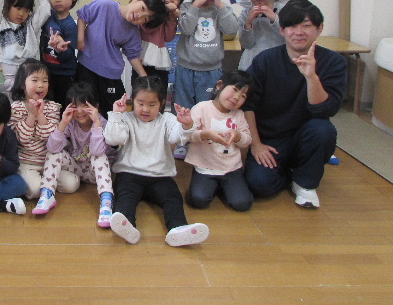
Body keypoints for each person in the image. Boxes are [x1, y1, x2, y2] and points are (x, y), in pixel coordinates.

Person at [243, 0, 347, 209]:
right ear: (282, 30)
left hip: (306, 136)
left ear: (319, 29)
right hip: (270, 139)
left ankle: (305, 183)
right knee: (259, 185)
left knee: (323, 130)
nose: (298, 32)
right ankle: (289, 173)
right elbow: (248, 106)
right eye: (292, 26)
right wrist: (256, 145)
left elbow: (325, 110)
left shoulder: (334, 62)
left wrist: (311, 77)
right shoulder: (265, 60)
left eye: (306, 26)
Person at [103, 76, 209, 247]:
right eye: (140, 103)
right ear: (132, 101)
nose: (145, 109)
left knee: (173, 198)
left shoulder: (167, 119)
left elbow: (176, 137)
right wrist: (116, 115)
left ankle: (178, 228)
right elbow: (113, 139)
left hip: (160, 175)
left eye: (152, 105)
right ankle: (128, 226)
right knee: (125, 198)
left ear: (161, 104)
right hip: (129, 173)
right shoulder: (127, 118)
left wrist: (186, 124)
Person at [34, 82, 115, 228]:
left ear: (95, 107)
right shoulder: (71, 123)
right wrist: (63, 123)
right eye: (75, 106)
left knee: (99, 156)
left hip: (97, 173)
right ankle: (47, 194)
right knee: (55, 153)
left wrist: (96, 123)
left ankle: (106, 203)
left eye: (85, 105)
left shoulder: (102, 123)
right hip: (78, 168)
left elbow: (97, 151)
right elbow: (52, 148)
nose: (80, 111)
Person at [76, 0, 167, 117]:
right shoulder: (104, 5)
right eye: (142, 8)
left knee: (114, 112)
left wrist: (144, 78)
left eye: (145, 18)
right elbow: (83, 15)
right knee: (85, 109)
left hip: (111, 74)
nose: (140, 16)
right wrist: (80, 39)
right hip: (86, 67)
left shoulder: (133, 32)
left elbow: (132, 55)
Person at [8, 58, 79, 200]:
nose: (40, 85)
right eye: (35, 80)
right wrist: (31, 115)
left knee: (72, 184)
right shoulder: (15, 108)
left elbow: (51, 138)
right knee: (35, 190)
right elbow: (22, 138)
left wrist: (40, 114)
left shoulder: (53, 107)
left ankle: (46, 184)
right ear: (22, 85)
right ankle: (40, 184)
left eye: (45, 81)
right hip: (27, 161)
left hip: (50, 161)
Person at [185, 69, 254, 212]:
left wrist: (238, 136)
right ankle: (213, 187)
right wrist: (206, 134)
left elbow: (247, 139)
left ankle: (224, 187)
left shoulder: (239, 114)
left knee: (243, 204)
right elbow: (188, 135)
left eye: (243, 95)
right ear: (219, 85)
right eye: (234, 90)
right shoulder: (202, 108)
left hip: (231, 168)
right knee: (198, 200)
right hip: (205, 167)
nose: (236, 97)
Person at [174, 0, 237, 110]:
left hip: (212, 70)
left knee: (208, 109)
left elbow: (231, 29)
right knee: (183, 108)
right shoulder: (185, 8)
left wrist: (220, 5)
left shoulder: (221, 9)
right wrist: (195, 6)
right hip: (185, 68)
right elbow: (187, 29)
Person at [0, 0, 50, 96]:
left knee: (29, 93)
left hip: (28, 65)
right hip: (7, 66)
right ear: (7, 6)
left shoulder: (30, 25)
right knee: (10, 90)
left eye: (26, 10)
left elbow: (45, 12)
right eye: (18, 8)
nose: (21, 14)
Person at [133, 0, 184, 91]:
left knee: (159, 90)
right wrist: (162, 11)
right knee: (140, 89)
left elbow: (169, 37)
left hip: (159, 59)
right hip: (142, 56)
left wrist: (172, 18)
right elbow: (147, 29)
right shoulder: (149, 9)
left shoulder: (168, 15)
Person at [40, 0, 80, 107]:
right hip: (47, 72)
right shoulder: (48, 17)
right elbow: (48, 20)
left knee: (62, 107)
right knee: (47, 107)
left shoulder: (70, 25)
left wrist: (61, 49)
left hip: (65, 75)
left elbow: (68, 56)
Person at [236, 0, 285, 70]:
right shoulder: (245, 13)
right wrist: (248, 24)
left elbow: (289, 38)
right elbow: (246, 44)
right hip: (251, 64)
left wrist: (274, 18)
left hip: (277, 62)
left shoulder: (283, 10)